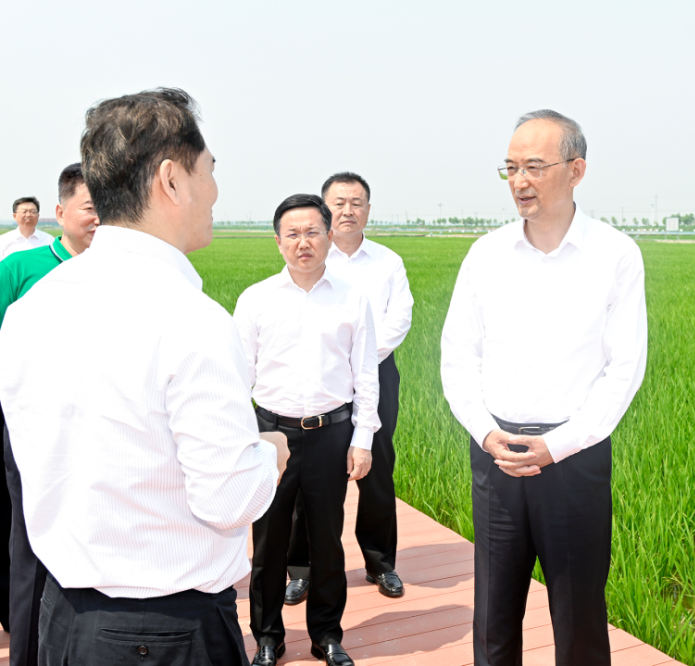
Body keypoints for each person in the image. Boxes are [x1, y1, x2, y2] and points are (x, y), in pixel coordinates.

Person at [0, 88, 290, 666]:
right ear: (171, 181)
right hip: (165, 633)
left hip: (63, 620)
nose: (214, 190)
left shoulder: (33, 307)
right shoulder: (193, 319)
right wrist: (269, 454)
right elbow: (227, 496)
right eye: (209, 171)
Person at [440, 110, 648, 666]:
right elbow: (457, 356)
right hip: (496, 457)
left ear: (576, 170)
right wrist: (486, 434)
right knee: (494, 616)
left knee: (579, 619)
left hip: (573, 459)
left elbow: (624, 367)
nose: (520, 181)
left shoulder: (615, 255)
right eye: (510, 168)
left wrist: (559, 445)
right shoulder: (486, 254)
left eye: (534, 166)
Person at [234, 193, 380, 666]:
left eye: (313, 231)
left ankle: (326, 635)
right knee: (269, 543)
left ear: (329, 236)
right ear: (278, 241)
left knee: (327, 540)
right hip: (271, 434)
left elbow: (366, 377)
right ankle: (267, 637)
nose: (304, 242)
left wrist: (362, 440)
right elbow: (238, 376)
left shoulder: (352, 298)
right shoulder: (256, 299)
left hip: (330, 433)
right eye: (293, 234)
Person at [283, 173, 412, 606]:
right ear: (324, 209)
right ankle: (300, 568)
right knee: (307, 470)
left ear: (369, 210)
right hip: (321, 375)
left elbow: (400, 318)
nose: (348, 210)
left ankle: (380, 562)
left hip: (376, 372)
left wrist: (360, 356)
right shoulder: (312, 256)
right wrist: (343, 360)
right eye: (339, 202)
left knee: (376, 469)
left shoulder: (388, 262)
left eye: (357, 202)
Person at [0, 163, 99, 666]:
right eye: (88, 208)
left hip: (100, 429)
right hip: (32, 428)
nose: (99, 219)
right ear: (60, 213)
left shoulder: (119, 277)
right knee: (32, 545)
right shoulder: (20, 269)